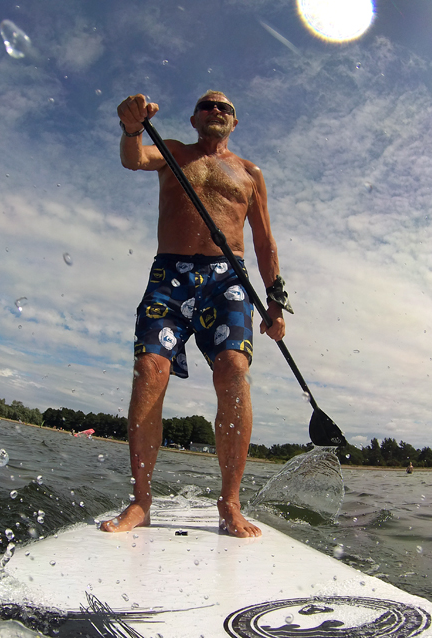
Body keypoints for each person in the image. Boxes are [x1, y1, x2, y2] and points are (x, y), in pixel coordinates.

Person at [100, 91, 290, 538]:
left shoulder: (251, 174)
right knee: (150, 369)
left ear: (235, 122)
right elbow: (134, 158)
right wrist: (131, 128)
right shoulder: (172, 152)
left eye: (224, 107)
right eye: (207, 106)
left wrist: (275, 300)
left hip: (228, 279)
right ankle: (141, 501)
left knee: (234, 369)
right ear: (193, 119)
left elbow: (264, 240)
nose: (216, 111)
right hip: (170, 275)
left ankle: (230, 502)